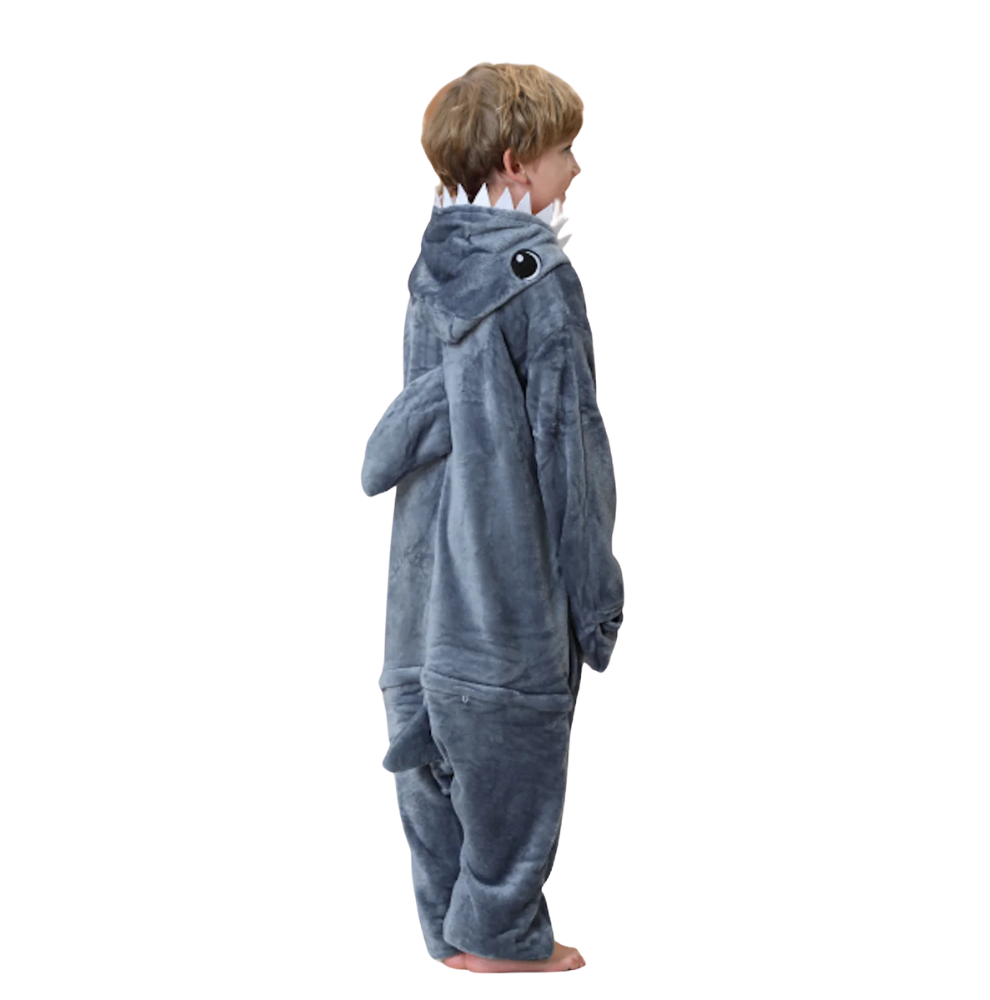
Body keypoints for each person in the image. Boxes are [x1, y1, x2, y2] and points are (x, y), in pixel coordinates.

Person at [360, 61, 624, 975]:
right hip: (506, 599)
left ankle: (449, 933)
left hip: (421, 595)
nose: (576, 168)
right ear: (516, 163)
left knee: (426, 760)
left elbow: (409, 432)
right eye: (565, 150)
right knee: (513, 763)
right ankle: (506, 942)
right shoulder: (540, 281)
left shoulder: (431, 272)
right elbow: (571, 455)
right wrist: (598, 601)